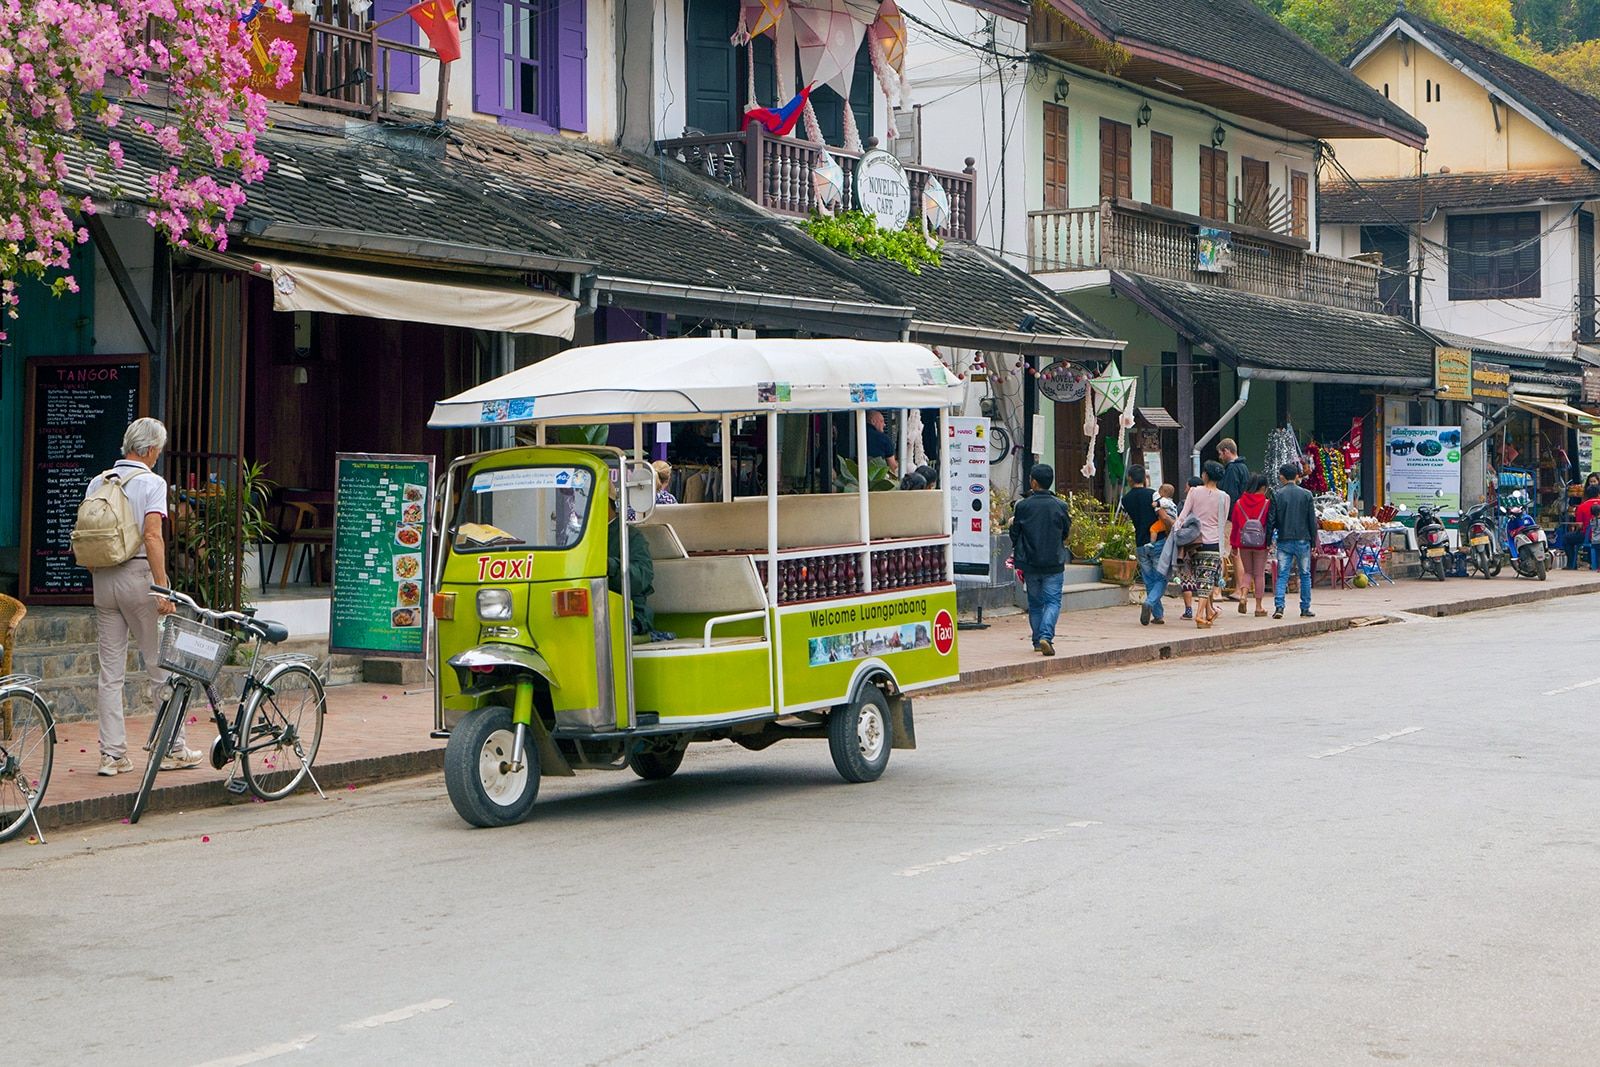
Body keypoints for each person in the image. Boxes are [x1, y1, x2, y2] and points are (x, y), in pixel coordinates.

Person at [88, 418, 200, 776]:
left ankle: (111, 755)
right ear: (151, 449)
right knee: (160, 666)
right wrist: (162, 587)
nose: (158, 456)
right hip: (139, 577)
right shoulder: (152, 483)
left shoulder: (98, 481)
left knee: (110, 674)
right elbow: (153, 535)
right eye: (158, 450)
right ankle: (172, 749)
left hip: (104, 578)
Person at [1009, 463, 1070, 656]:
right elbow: (1065, 532)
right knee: (1052, 602)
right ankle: (1046, 636)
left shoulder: (1022, 506)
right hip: (1054, 561)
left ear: (1034, 482)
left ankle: (1037, 640)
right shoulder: (1060, 505)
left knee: (1035, 603)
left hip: (1029, 561)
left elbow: (1015, 533)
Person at [1174, 461, 1231, 628]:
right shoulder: (1224, 497)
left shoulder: (1194, 491)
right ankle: (1200, 615)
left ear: (1205, 475)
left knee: (1202, 579)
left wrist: (1176, 534)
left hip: (1195, 542)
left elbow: (1183, 516)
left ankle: (1208, 612)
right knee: (1206, 580)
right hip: (1214, 543)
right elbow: (1222, 522)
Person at [1269, 461, 1318, 619]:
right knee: (1305, 574)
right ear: (1297, 476)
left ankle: (1279, 607)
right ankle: (1305, 607)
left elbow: (1271, 520)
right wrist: (1314, 541)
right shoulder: (1306, 494)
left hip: (1284, 539)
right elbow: (1312, 520)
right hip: (1303, 539)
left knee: (1282, 574)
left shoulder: (1277, 494)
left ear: (1282, 477)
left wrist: (1268, 539)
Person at [607, 494, 655, 635]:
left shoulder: (630, 535)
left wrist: (610, 566)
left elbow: (642, 577)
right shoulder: (573, 536)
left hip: (630, 613)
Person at [1138, 483, 1181, 626]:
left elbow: (1163, 516)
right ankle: (1154, 609)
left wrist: (1156, 503)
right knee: (1161, 577)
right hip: (1161, 544)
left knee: (1149, 579)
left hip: (1142, 544)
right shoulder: (1173, 503)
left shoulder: (1161, 501)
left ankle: (1155, 610)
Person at [1230, 472, 1271, 618]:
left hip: (1244, 543)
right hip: (1261, 543)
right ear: (1263, 487)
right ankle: (1259, 607)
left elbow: (1235, 526)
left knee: (1248, 572)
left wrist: (1233, 545)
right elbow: (1270, 524)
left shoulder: (1239, 503)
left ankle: (1243, 595)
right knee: (1259, 574)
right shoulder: (1267, 503)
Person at [1216, 439, 1249, 601]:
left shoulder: (1232, 469)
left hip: (1230, 517)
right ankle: (1240, 590)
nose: (1220, 457)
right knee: (1237, 554)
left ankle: (1217, 590)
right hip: (1242, 515)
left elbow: (1228, 495)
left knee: (1221, 552)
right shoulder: (1244, 468)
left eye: (1220, 453)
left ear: (1226, 451)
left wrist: (1223, 516)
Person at [1120, 464, 1158, 550]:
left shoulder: (1125, 499)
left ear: (1129, 478)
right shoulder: (1153, 494)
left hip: (1140, 541)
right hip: (1157, 539)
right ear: (1144, 478)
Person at [1566, 484, 1600, 570]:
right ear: (1598, 493)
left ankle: (1571, 564)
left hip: (1588, 537)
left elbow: (1580, 525)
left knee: (1566, 538)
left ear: (1586, 494)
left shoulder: (1582, 506)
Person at [866, 410, 899, 475]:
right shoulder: (884, 438)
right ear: (873, 421)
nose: (884, 424)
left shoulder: (856, 434)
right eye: (882, 421)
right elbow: (893, 467)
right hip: (878, 477)